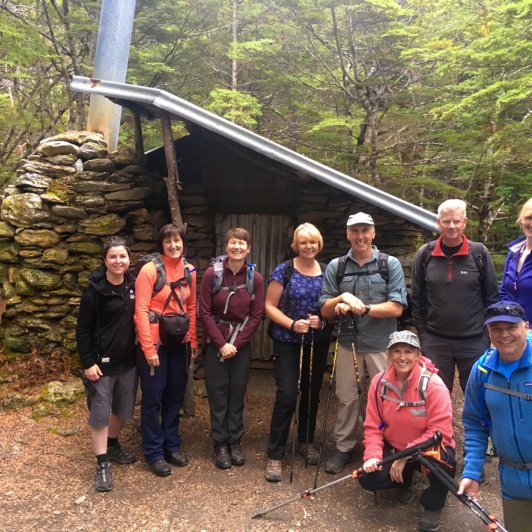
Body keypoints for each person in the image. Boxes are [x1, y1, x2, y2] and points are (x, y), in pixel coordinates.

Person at [318, 212, 407, 474]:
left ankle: (385, 447)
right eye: (355, 231)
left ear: (373, 233)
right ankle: (344, 447)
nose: (360, 236)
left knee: (386, 398)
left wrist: (364, 308)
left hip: (382, 344)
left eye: (365, 230)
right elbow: (325, 309)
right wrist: (342, 298)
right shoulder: (337, 266)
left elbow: (397, 308)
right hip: (348, 343)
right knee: (347, 398)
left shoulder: (389, 264)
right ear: (347, 234)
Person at [359, 330, 456, 532]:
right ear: (389, 355)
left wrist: (404, 457)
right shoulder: (379, 382)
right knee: (369, 478)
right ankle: (404, 482)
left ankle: (432, 504)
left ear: (418, 355)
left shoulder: (433, 384)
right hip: (394, 444)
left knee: (446, 464)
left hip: (426, 448)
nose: (402, 357)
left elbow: (440, 432)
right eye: (396, 351)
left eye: (408, 351)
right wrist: (372, 456)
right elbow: (374, 425)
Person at [263, 223, 333, 482]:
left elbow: (331, 309)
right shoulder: (285, 270)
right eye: (303, 242)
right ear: (296, 245)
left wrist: (322, 322)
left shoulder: (327, 271)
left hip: (318, 340)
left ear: (319, 243)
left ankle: (306, 441)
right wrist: (292, 324)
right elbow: (269, 306)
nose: (308, 246)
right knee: (287, 394)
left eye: (313, 241)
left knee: (312, 393)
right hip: (287, 341)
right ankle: (275, 453)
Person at [411, 199, 499, 393]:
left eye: (456, 221)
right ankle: (440, 426)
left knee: (478, 395)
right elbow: (416, 298)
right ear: (438, 222)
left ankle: (476, 425)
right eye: (447, 221)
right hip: (435, 341)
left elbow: (492, 297)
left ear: (464, 222)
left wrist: (486, 335)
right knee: (434, 395)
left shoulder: (479, 254)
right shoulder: (425, 254)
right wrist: (424, 334)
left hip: (474, 340)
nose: (451, 226)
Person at [459, 301, 532, 531]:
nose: (504, 334)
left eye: (511, 327)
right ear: (488, 331)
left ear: (527, 327)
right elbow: (474, 424)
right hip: (512, 480)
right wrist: (471, 471)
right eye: (496, 328)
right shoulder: (481, 371)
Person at [134, 223, 198, 477]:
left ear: (183, 243)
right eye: (168, 241)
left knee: (174, 395)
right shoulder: (149, 271)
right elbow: (140, 310)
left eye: (178, 240)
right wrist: (148, 348)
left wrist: (192, 340)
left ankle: (172, 444)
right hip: (155, 343)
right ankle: (153, 451)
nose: (174, 245)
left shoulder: (189, 270)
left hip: (179, 342)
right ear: (162, 244)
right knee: (153, 397)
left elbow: (190, 306)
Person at [199, 228, 265, 469]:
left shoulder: (254, 279)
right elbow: (204, 312)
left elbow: (256, 315)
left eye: (242, 244)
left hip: (240, 344)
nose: (237, 247)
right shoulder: (211, 275)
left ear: (248, 249)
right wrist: (220, 344)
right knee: (218, 393)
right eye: (233, 243)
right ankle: (220, 442)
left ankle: (234, 441)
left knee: (237, 391)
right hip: (216, 341)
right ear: (226, 247)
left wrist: (235, 345)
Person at [75, 236, 137, 492]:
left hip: (128, 361)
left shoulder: (133, 285)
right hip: (101, 364)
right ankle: (101, 463)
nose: (118, 261)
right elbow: (82, 330)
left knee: (123, 409)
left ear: (128, 259)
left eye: (122, 256)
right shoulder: (94, 291)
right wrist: (88, 362)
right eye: (113, 256)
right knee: (100, 413)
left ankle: (112, 445)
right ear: (105, 260)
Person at [500, 198, 532, 322]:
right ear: (521, 220)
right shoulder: (514, 254)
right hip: (513, 330)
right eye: (529, 218)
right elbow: (504, 291)